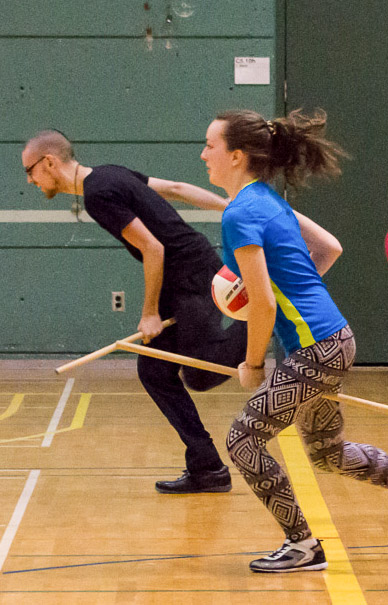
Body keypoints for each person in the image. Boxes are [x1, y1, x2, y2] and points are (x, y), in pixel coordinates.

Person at [202, 108, 388, 572]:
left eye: (210, 146)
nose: (204, 155)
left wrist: (253, 363)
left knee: (243, 440)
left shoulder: (240, 213)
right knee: (326, 451)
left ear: (236, 156)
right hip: (332, 338)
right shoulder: (268, 199)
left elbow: (262, 304)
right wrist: (299, 290)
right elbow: (330, 248)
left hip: (316, 349)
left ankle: (303, 545)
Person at [22, 130, 246, 494]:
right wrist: (229, 206)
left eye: (30, 171)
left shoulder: (98, 195)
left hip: (192, 275)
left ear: (50, 162)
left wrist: (149, 313)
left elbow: (154, 249)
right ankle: (208, 467)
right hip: (185, 278)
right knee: (155, 371)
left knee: (200, 375)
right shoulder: (110, 174)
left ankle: (260, 324)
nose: (30, 180)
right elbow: (175, 187)